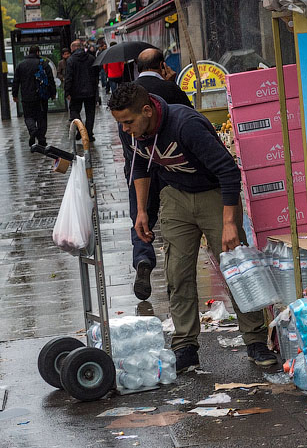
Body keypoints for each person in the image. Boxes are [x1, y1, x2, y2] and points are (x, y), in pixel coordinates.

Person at [109, 82, 277, 371]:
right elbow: (137, 166)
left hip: (214, 194)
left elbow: (228, 171)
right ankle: (185, 345)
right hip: (175, 194)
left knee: (235, 267)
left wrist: (228, 223)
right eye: (121, 123)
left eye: (128, 122)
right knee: (178, 271)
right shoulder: (132, 132)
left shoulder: (186, 125)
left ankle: (255, 339)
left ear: (147, 110)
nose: (125, 129)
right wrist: (141, 212)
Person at [124, 48, 190, 300]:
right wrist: (171, 83)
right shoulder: (171, 89)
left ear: (137, 67)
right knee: (178, 218)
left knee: (142, 218)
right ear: (163, 65)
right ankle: (177, 265)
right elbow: (188, 117)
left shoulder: (129, 94)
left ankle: (142, 259)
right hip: (173, 166)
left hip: (138, 168)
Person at [12, 46, 55, 147]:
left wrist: (15, 94)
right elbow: (50, 79)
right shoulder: (43, 63)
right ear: (37, 52)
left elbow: (16, 81)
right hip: (41, 96)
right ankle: (41, 139)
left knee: (28, 116)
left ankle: (32, 130)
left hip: (26, 97)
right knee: (42, 118)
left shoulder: (21, 65)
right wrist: (52, 93)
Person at [64, 40, 100, 141]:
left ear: (74, 48)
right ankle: (88, 133)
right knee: (90, 113)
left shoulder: (71, 60)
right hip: (90, 90)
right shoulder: (91, 58)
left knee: (74, 111)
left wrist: (67, 91)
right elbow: (96, 72)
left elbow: (69, 77)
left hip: (76, 92)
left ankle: (81, 130)